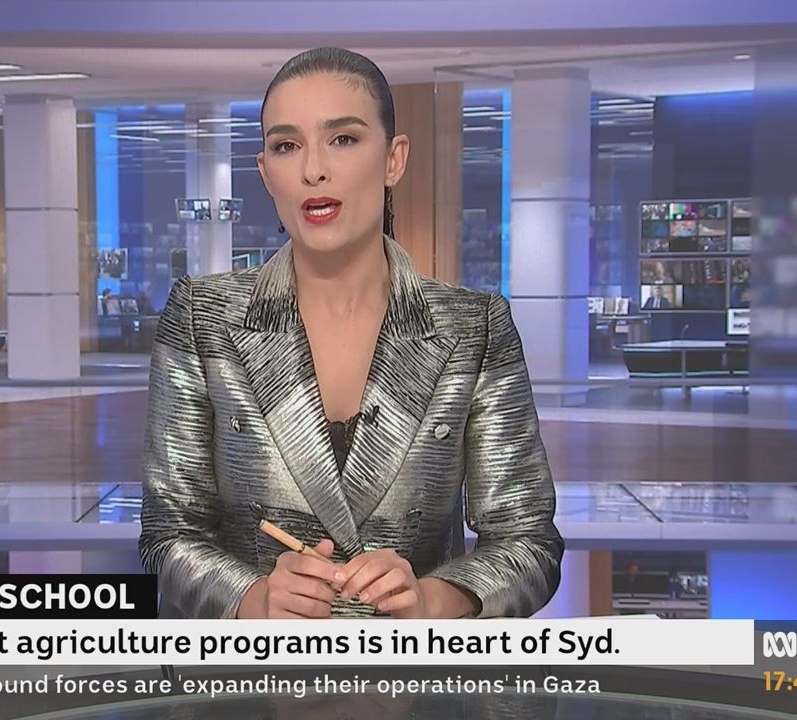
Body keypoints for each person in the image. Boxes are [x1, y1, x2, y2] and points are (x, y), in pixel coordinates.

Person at [139, 47, 563, 620]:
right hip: (255, 670)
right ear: (266, 172)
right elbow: (168, 534)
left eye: (343, 139)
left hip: (412, 671)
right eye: (287, 146)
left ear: (394, 159)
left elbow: (529, 542)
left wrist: (434, 598)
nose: (313, 169)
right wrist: (254, 598)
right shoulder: (201, 316)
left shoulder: (474, 326)